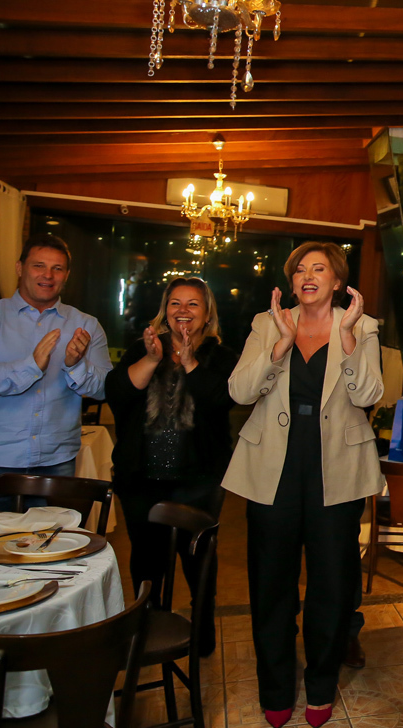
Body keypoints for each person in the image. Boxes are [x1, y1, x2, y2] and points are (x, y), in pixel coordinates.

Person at [224, 242, 384, 728]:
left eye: (319, 269)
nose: (308, 276)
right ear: (291, 281)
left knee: (331, 587)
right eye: (300, 270)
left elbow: (369, 393)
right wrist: (281, 344)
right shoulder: (266, 322)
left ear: (338, 281)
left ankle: (320, 685)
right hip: (273, 467)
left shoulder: (362, 325)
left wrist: (349, 337)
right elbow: (240, 391)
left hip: (338, 469)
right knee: (271, 584)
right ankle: (275, 688)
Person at [104, 276, 238, 656]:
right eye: (176, 303)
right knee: (146, 564)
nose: (183, 310)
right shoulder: (143, 348)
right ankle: (149, 633)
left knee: (199, 562)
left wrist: (190, 361)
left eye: (193, 304)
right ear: (165, 310)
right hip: (141, 480)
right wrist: (151, 359)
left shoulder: (221, 357)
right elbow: (117, 393)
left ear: (207, 313)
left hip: (198, 481)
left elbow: (220, 400)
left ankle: (202, 634)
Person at [0, 234, 111, 510]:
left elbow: (104, 389)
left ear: (66, 275)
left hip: (56, 464)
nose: (48, 275)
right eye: (38, 265)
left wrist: (76, 365)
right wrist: (30, 366)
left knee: (54, 536)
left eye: (57, 268)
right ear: (20, 268)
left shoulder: (86, 325)